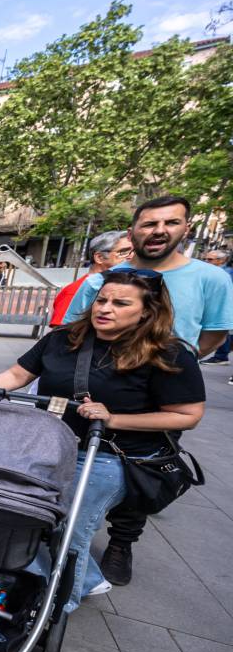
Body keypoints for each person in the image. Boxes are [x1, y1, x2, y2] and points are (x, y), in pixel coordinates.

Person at [0, 269, 205, 611]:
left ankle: (53, 606)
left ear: (147, 312)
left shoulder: (169, 354)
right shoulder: (65, 339)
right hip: (51, 446)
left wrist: (114, 418)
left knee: (67, 524)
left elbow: (187, 415)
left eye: (120, 303)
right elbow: (19, 374)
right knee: (9, 505)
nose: (105, 309)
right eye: (102, 300)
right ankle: (85, 578)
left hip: (112, 456)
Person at [64, 196, 233, 585]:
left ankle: (122, 543)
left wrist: (167, 367)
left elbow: (212, 336)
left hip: (160, 394)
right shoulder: (100, 281)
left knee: (140, 466)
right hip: (92, 389)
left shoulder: (211, 279)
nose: (159, 231)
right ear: (133, 231)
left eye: (170, 223)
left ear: (185, 229)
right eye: (149, 224)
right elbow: (72, 331)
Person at [50, 231, 133, 327]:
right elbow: (61, 332)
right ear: (99, 257)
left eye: (133, 252)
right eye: (123, 252)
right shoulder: (76, 290)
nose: (131, 256)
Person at [199, 248, 233, 365]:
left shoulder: (226, 273)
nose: (206, 261)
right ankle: (221, 355)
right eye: (205, 259)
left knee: (221, 328)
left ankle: (221, 356)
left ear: (221, 260)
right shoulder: (212, 271)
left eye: (210, 259)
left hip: (223, 306)